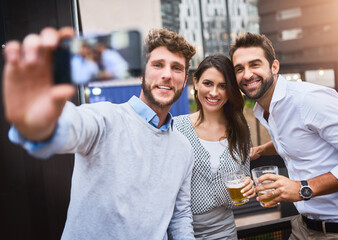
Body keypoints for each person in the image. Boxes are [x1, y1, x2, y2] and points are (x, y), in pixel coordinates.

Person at [3, 27, 197, 240]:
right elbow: (71, 126)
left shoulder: (184, 149)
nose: (167, 74)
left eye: (176, 68)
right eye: (158, 65)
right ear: (142, 72)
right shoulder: (106, 119)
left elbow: (180, 216)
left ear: (185, 79)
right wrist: (40, 123)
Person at [229, 32, 338, 239]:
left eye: (255, 64)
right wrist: (261, 150)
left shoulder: (308, 99)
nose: (246, 75)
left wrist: (302, 188)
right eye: (239, 69)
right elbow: (294, 137)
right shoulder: (267, 107)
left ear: (274, 67)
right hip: (303, 227)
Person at [174, 54, 255, 240]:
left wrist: (248, 186)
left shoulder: (242, 131)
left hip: (225, 231)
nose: (214, 93)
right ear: (196, 83)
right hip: (181, 230)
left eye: (223, 86)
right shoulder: (176, 128)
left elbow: (243, 177)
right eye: (208, 83)